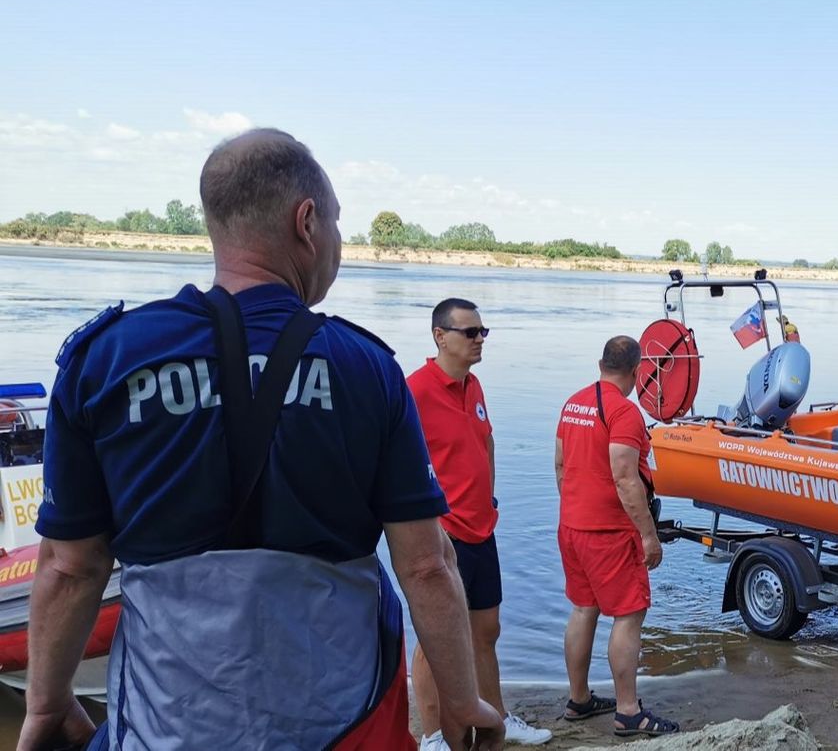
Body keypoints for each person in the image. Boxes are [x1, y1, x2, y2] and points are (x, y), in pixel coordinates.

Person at [19, 129, 504, 751]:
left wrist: (48, 704)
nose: (337, 241)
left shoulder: (105, 359)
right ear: (306, 223)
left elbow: (68, 567)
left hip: (167, 722)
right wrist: (462, 701)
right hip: (344, 717)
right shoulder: (366, 367)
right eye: (335, 222)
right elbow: (426, 564)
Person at [407, 299, 552, 749]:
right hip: (442, 532)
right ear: (440, 336)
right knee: (436, 636)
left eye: (483, 332)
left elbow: (485, 444)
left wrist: (489, 498)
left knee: (486, 630)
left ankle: (499, 719)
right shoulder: (414, 390)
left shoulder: (474, 386)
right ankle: (430, 735)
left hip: (481, 526)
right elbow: (394, 464)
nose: (479, 340)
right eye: (470, 333)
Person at [554, 336, 680, 738]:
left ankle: (579, 699)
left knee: (583, 608)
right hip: (609, 532)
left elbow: (559, 463)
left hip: (572, 526)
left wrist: (576, 506)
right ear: (637, 371)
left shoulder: (573, 402)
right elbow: (626, 478)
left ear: (600, 363)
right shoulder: (625, 412)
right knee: (628, 614)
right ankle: (628, 711)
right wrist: (648, 536)